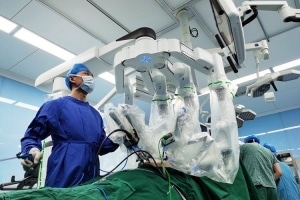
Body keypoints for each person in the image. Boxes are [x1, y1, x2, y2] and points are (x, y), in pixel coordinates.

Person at [20, 63, 119, 188]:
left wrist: (119, 137)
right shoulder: (56, 106)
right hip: (63, 172)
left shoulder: (96, 115)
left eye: (92, 76)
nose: (91, 79)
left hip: (91, 176)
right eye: (87, 74)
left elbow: (101, 146)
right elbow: (32, 135)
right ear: (72, 79)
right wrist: (32, 149)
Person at [240, 135, 282, 200]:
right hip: (272, 188)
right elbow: (279, 172)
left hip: (256, 186)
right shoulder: (269, 152)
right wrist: (267, 180)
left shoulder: (244, 147)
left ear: (246, 142)